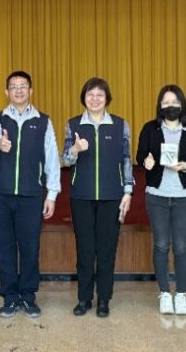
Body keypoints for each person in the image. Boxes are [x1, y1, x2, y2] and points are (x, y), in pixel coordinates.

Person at [0, 70, 61, 318]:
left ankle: (28, 296)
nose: (18, 90)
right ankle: (9, 296)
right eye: (14, 86)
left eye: (23, 86)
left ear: (31, 90)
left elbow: (52, 158)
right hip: (1, 194)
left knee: (29, 247)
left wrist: (52, 194)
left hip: (31, 195)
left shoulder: (43, 121)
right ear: (7, 92)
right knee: (2, 246)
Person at [62, 78, 134, 318]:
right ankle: (84, 298)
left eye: (99, 95)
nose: (94, 99)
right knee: (85, 250)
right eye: (90, 94)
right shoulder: (73, 124)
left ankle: (104, 298)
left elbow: (126, 160)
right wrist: (75, 149)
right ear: (84, 98)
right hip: (81, 196)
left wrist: (128, 191)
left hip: (112, 196)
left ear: (107, 98)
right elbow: (65, 160)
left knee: (106, 250)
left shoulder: (120, 125)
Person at [136, 84, 186, 316]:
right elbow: (140, 155)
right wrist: (146, 162)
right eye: (166, 102)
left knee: (181, 246)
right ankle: (165, 293)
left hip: (183, 196)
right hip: (157, 195)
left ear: (182, 104)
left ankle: (181, 294)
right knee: (161, 244)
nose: (170, 106)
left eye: (174, 102)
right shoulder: (150, 128)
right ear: (159, 106)